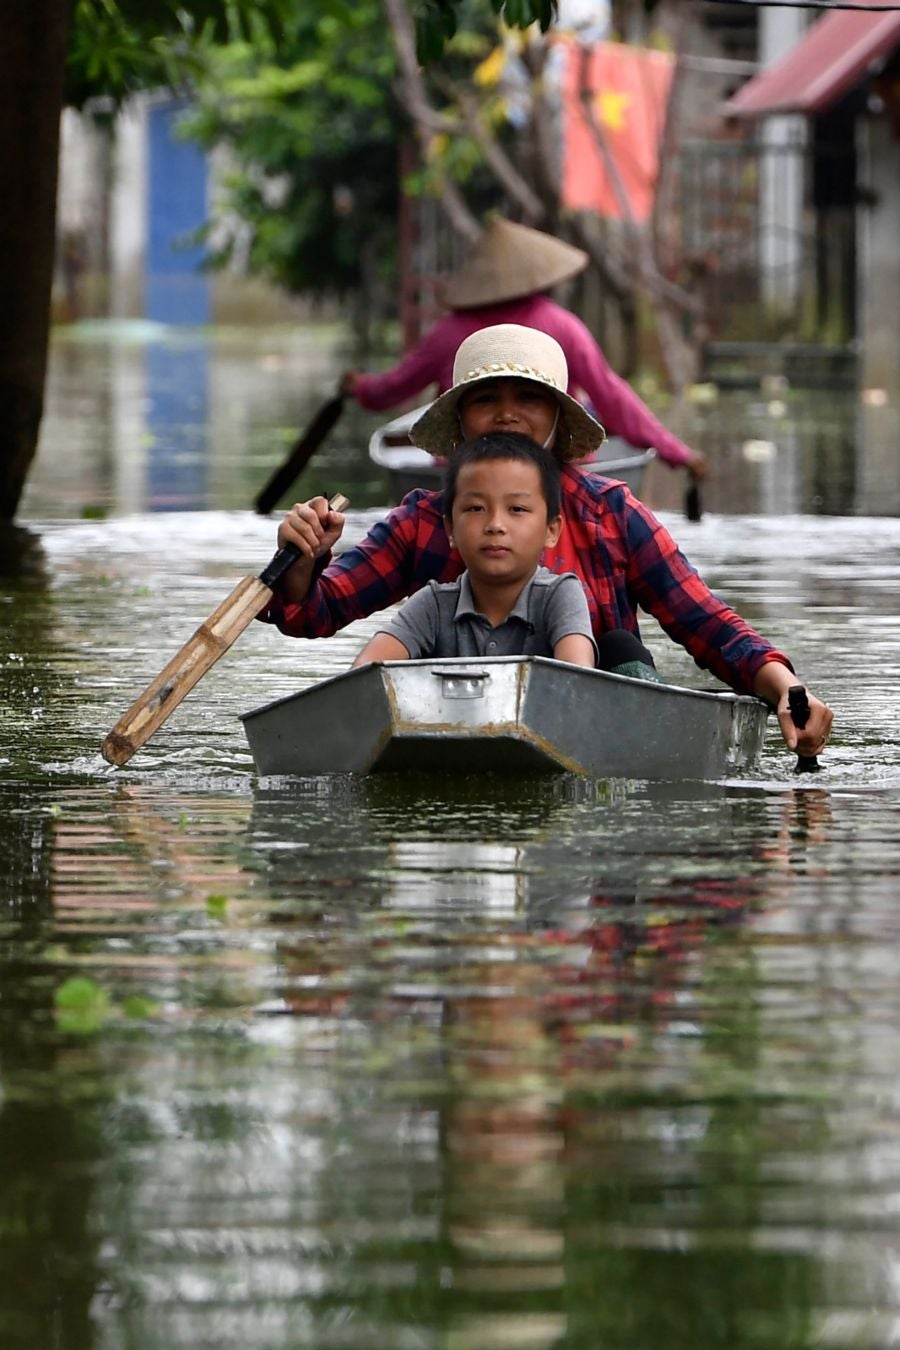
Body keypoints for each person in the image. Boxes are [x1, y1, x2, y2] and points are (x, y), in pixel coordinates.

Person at [264, 324, 832, 760]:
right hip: (454, 733)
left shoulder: (611, 515)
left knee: (618, 646)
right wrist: (304, 557)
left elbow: (705, 623)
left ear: (557, 418)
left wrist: (786, 687)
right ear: (461, 419)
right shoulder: (424, 522)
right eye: (486, 399)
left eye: (528, 399)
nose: (507, 415)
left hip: (594, 737)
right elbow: (315, 611)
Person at [340, 215, 706, 477]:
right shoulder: (563, 326)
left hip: (465, 474)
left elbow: (389, 391)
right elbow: (612, 398)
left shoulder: (448, 332)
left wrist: (360, 387)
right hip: (552, 472)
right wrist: (678, 453)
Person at [352, 432, 597, 670]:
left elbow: (576, 677)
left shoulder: (560, 595)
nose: (495, 525)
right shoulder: (434, 604)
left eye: (517, 509)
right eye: (476, 508)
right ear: (450, 529)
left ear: (551, 531)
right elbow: (365, 673)